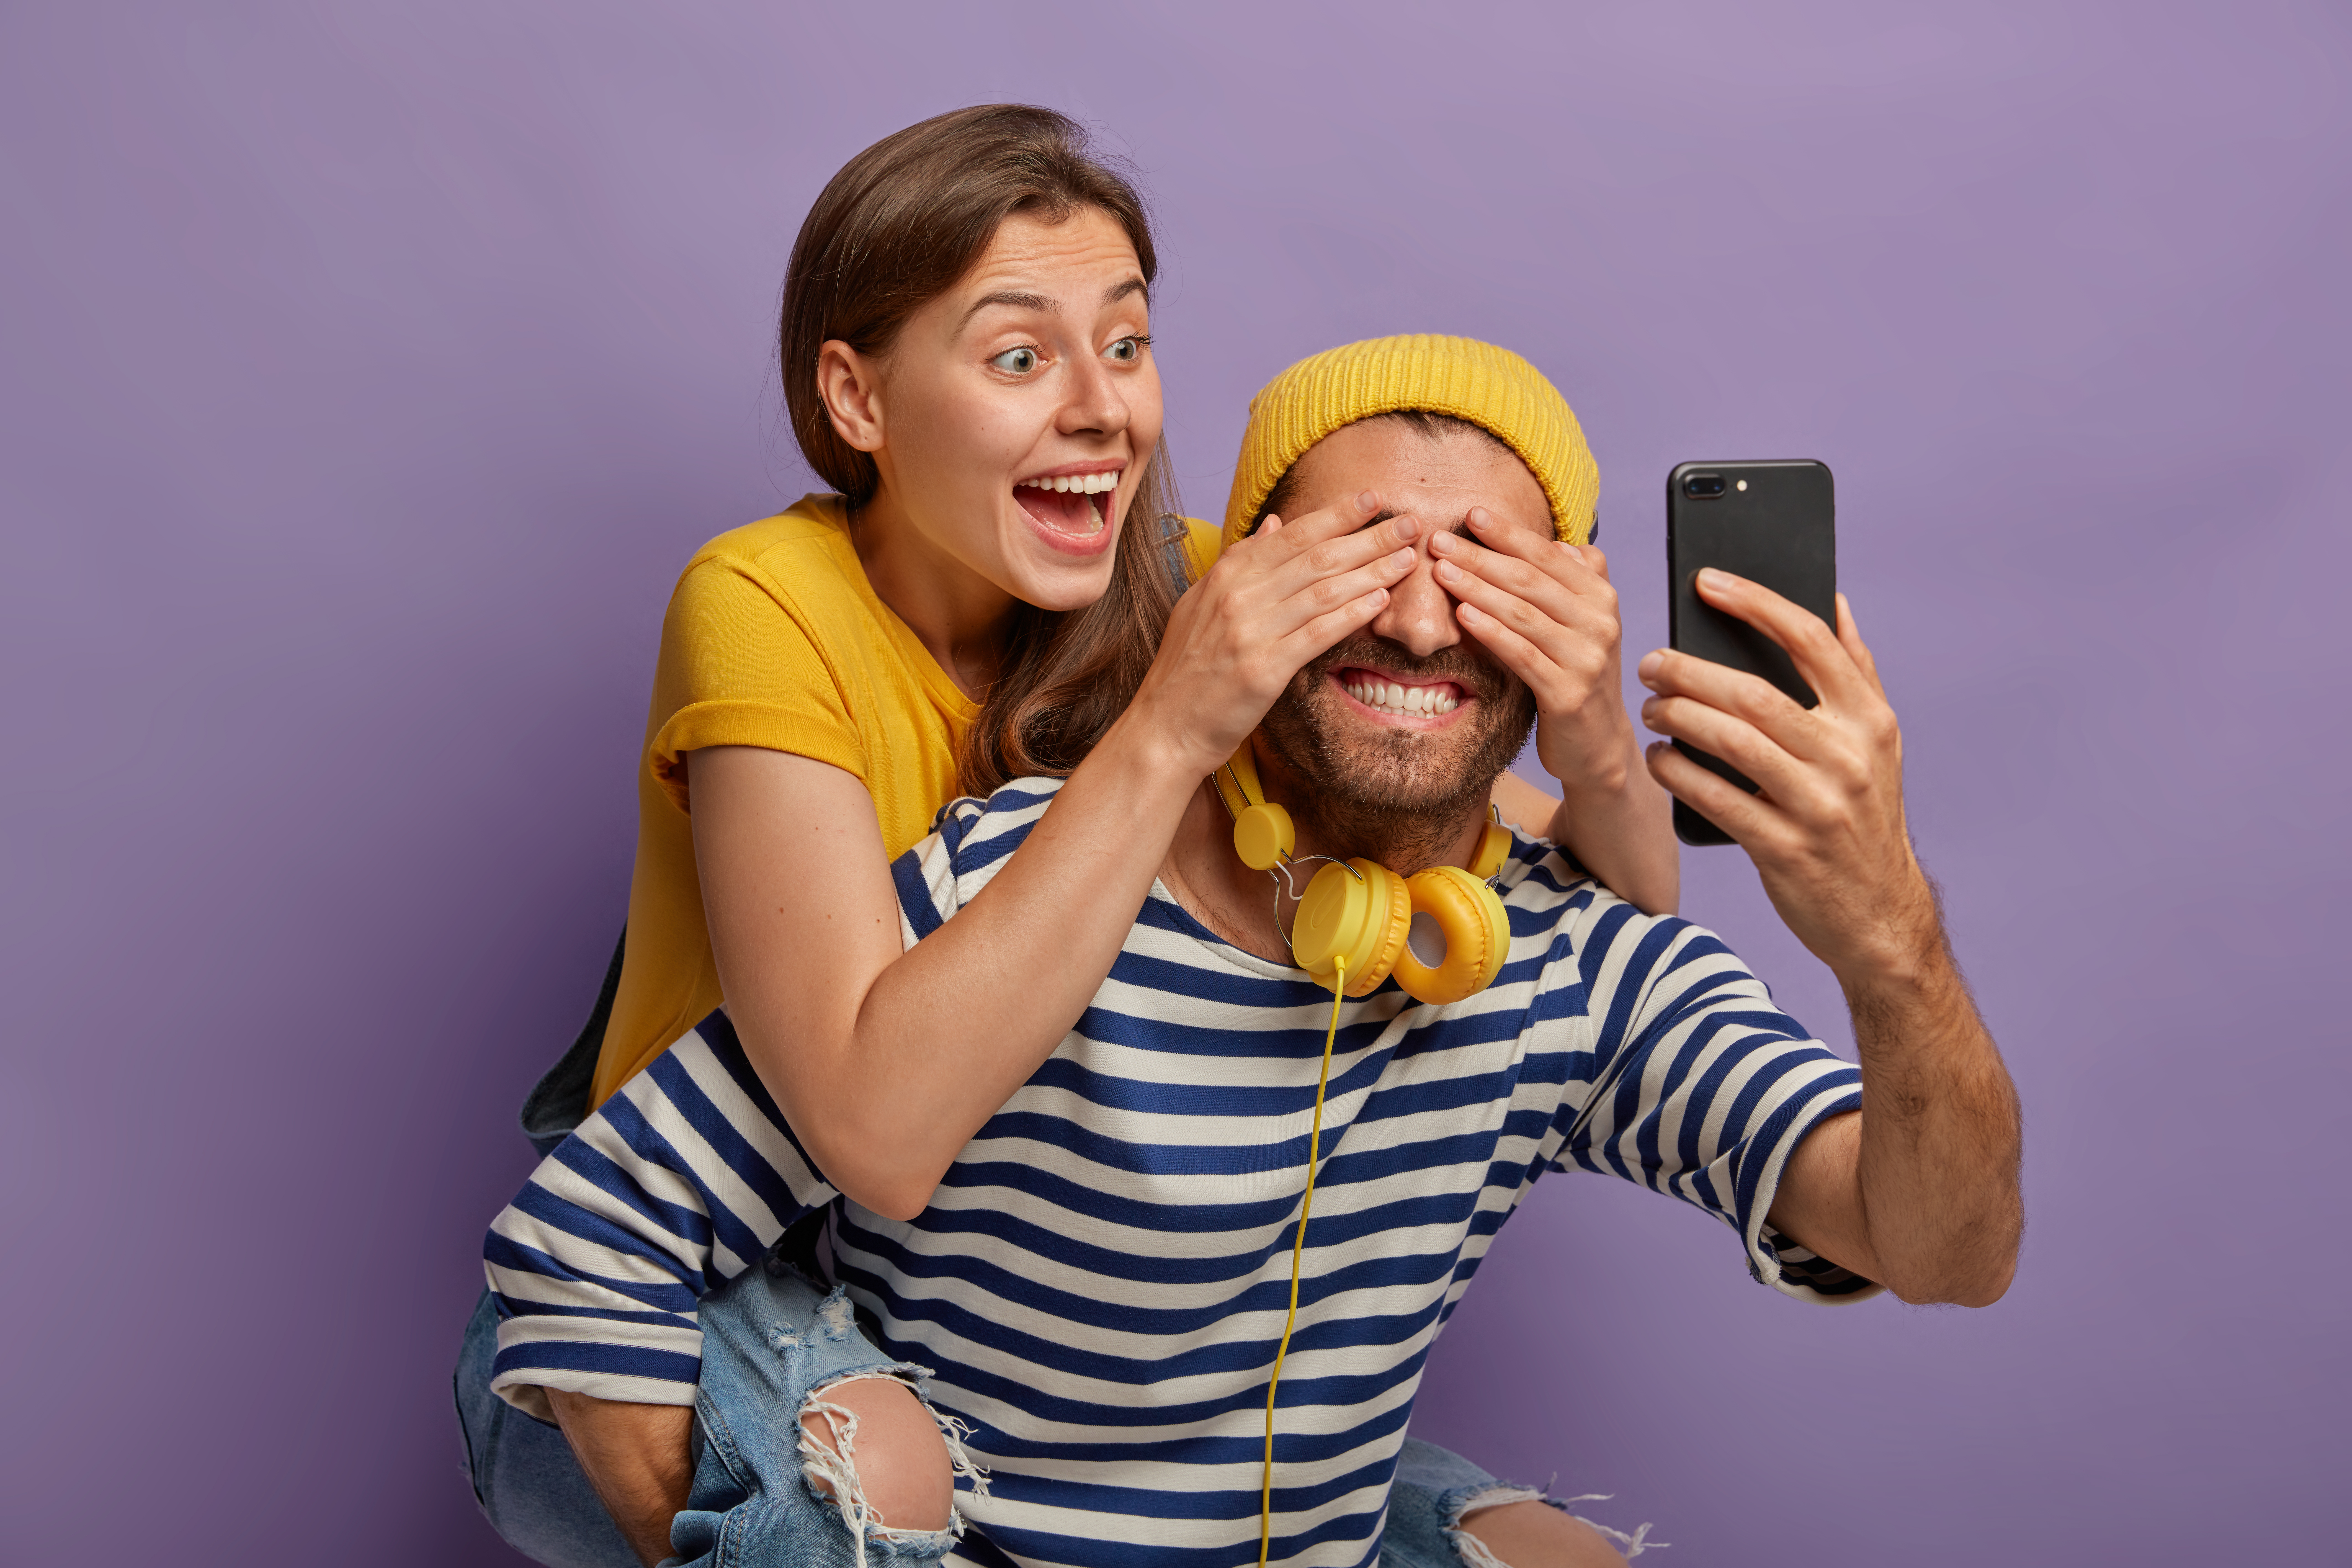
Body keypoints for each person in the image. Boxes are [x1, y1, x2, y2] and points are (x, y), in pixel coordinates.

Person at [461, 336, 2022, 1568]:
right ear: (1239, 583)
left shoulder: (1569, 961)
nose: (1418, 622)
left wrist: (1890, 935)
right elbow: (593, 1236)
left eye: (1485, 568)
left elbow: (1948, 1252)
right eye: (1358, 555)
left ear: (1572, 623)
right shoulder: (1034, 879)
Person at [467, 101, 1677, 1561]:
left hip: (980, 1333)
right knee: (879, 1473)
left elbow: (1548, 886)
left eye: (1127, 343)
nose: (1100, 409)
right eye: (1021, 356)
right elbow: (881, 1139)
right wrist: (1174, 724)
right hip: (699, 1260)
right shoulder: (764, 603)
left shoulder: (1183, 585)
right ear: (858, 401)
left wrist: (1595, 739)